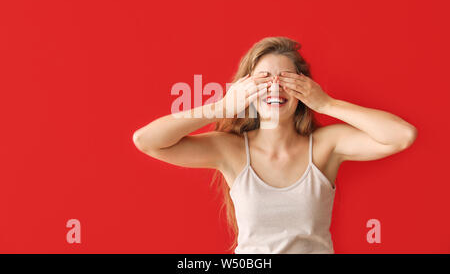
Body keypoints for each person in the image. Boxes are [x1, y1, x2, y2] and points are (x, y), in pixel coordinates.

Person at [132, 36, 417, 253]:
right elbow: (147, 141)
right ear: (245, 89)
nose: (274, 88)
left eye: (287, 79)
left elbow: (402, 135)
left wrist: (327, 103)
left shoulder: (324, 146)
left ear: (304, 88)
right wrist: (222, 107)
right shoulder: (230, 150)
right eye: (263, 79)